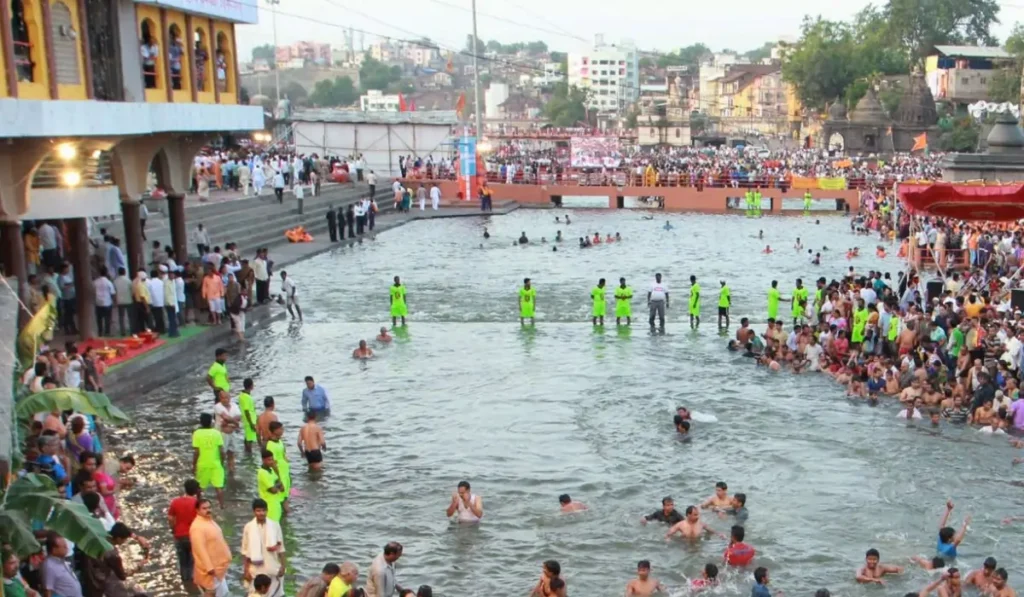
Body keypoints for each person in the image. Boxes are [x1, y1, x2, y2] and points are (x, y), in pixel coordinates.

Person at [242, 498, 286, 597]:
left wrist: (283, 566)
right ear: (254, 512)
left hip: (272, 568)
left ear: (267, 511)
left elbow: (281, 548)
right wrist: (246, 571)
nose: (261, 513)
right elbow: (245, 551)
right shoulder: (248, 527)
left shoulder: (275, 525)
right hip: (255, 569)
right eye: (258, 511)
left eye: (264, 510)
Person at [189, 498, 232, 597]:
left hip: (218, 567)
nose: (208, 510)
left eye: (209, 507)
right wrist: (209, 567)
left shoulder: (209, 521)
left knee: (223, 594)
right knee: (211, 592)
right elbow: (200, 549)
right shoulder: (197, 527)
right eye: (204, 508)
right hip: (211, 570)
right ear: (197, 510)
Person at [167, 479, 201, 585]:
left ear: (185, 489)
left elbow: (170, 518)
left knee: (182, 561)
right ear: (196, 490)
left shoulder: (175, 501)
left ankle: (184, 582)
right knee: (192, 561)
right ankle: (192, 584)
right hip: (193, 536)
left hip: (179, 535)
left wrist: (173, 529)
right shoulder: (198, 504)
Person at [192, 412, 225, 507]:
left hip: (202, 464)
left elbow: (196, 452)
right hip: (216, 464)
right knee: (219, 487)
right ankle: (222, 506)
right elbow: (222, 451)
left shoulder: (197, 433)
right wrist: (222, 463)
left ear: (201, 422)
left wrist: (194, 465)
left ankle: (199, 506)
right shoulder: (217, 433)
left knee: (200, 488)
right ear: (211, 422)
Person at [213, 389, 241, 473]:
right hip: (222, 434)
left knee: (231, 453)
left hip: (232, 433)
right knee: (221, 454)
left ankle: (231, 472)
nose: (225, 400)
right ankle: (220, 471)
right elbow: (225, 417)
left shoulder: (234, 405)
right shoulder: (217, 406)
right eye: (223, 398)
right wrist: (235, 423)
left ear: (230, 397)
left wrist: (228, 422)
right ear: (220, 398)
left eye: (227, 397)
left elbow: (239, 417)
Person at [257, 449, 286, 522]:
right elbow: (273, 490)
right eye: (269, 460)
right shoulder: (262, 473)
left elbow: (282, 488)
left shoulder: (272, 470)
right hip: (268, 506)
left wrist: (276, 470)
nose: (272, 462)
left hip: (276, 505)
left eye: (272, 459)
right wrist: (277, 485)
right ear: (263, 460)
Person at [239, 378, 258, 454]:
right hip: (249, 420)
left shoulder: (242, 395)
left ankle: (246, 451)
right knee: (250, 439)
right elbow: (246, 411)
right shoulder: (246, 397)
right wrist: (251, 424)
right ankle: (249, 454)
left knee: (247, 437)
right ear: (251, 386)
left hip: (246, 420)